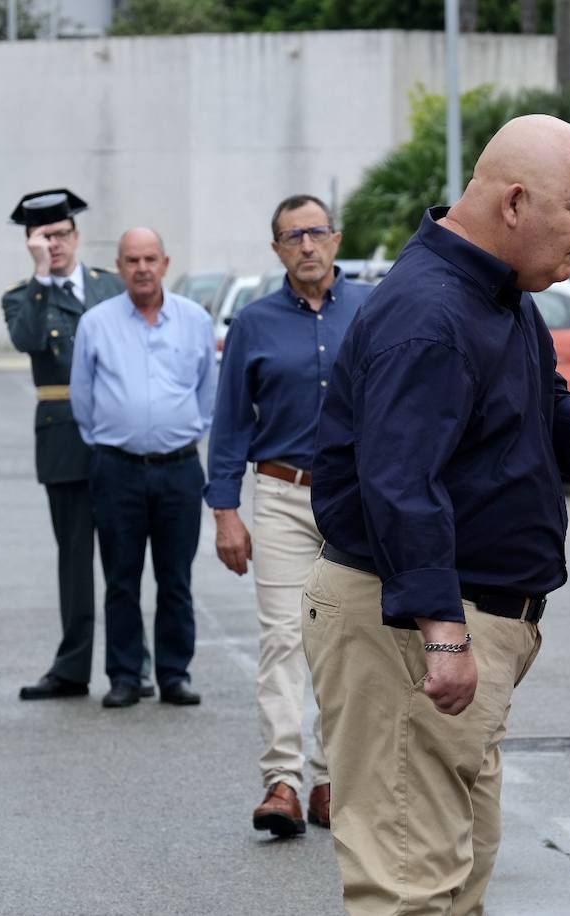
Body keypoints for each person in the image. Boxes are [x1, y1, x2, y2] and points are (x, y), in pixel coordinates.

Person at [304, 114, 570, 914]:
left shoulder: (499, 295)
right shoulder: (432, 314)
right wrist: (443, 632)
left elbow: (543, 430)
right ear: (515, 202)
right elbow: (400, 484)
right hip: (412, 631)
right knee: (409, 888)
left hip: (453, 626)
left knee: (454, 880)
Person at [206, 194, 371, 836]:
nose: (306, 245)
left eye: (316, 232)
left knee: (348, 640)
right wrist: (225, 509)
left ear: (335, 239)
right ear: (276, 250)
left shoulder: (370, 308)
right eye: (292, 236)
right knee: (282, 639)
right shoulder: (253, 323)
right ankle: (282, 782)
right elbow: (229, 424)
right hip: (279, 495)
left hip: (355, 498)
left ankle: (331, 779)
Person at [2, 189, 154, 702]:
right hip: (65, 437)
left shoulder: (112, 285)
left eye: (61, 234)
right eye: (43, 238)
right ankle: (71, 668)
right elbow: (26, 340)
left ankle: (132, 666)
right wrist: (41, 278)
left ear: (76, 234)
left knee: (125, 559)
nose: (55, 244)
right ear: (31, 244)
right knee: (74, 560)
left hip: (118, 434)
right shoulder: (23, 295)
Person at [71, 228, 216, 709]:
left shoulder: (195, 320)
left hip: (178, 471)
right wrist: (117, 441)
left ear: (165, 263)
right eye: (132, 260)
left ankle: (175, 674)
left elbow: (206, 392)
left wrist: (182, 430)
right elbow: (83, 400)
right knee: (121, 578)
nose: (141, 268)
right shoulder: (96, 323)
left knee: (176, 579)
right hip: (117, 470)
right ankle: (125, 675)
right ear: (119, 267)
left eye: (150, 258)